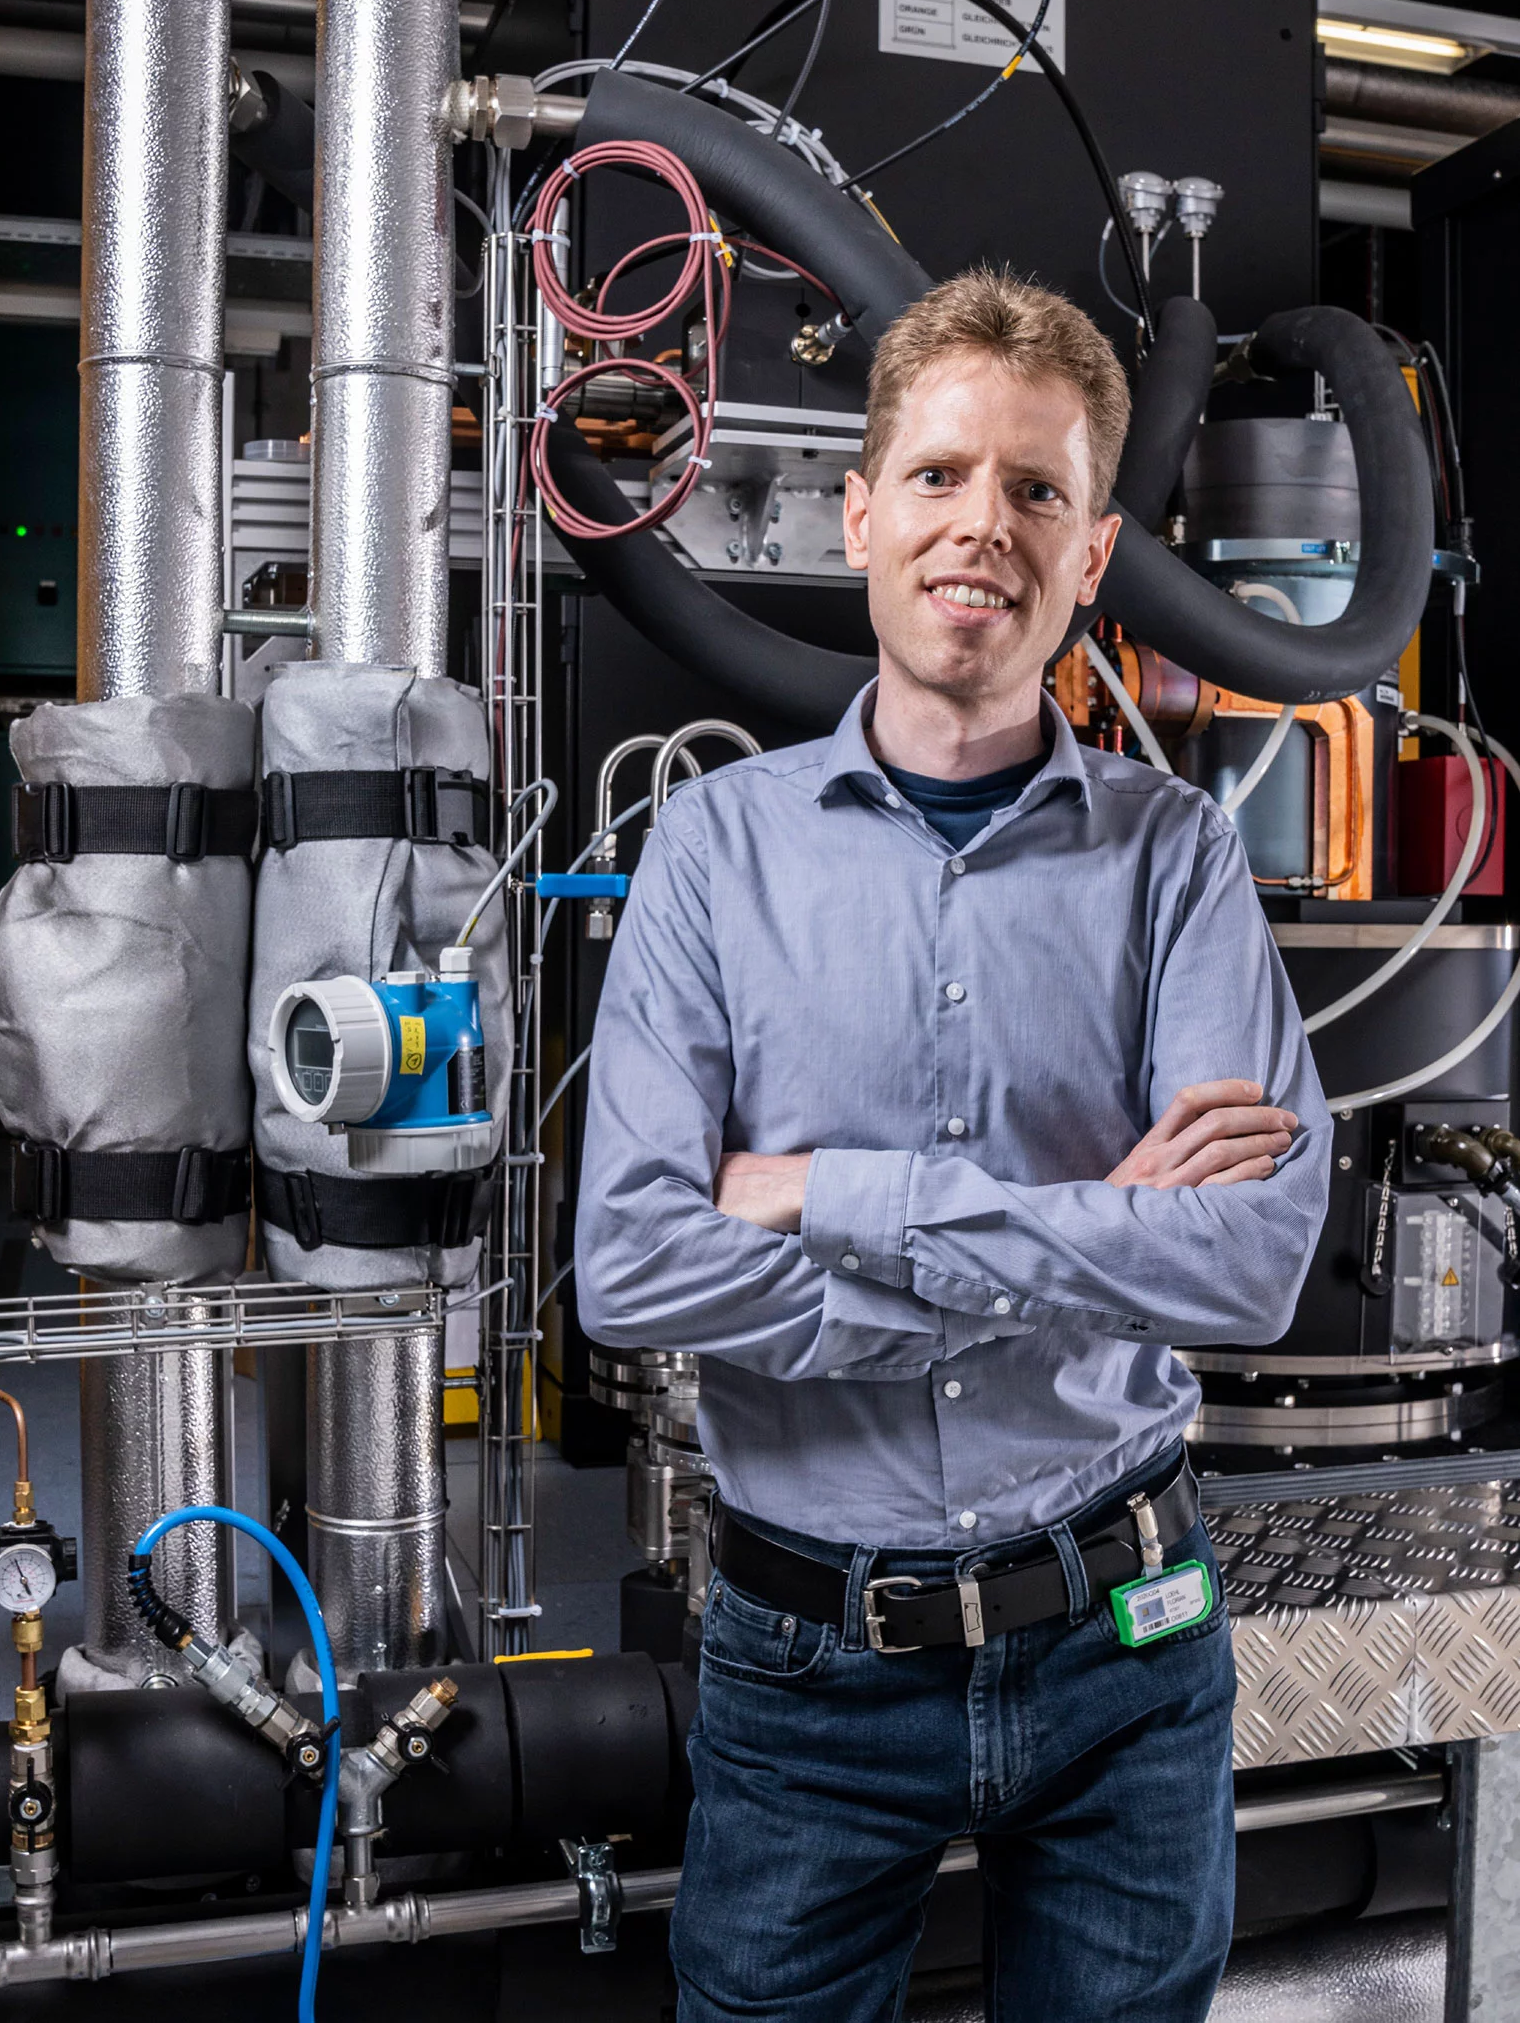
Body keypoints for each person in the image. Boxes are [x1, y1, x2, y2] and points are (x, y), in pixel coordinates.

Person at [575, 265, 1330, 2023]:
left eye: (1035, 490)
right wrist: (1082, 1238)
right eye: (935, 475)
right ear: (857, 513)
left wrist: (840, 1198)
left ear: (1090, 552)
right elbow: (629, 1266)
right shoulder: (710, 856)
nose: (978, 525)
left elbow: (1246, 1259)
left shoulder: (1177, 862)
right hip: (804, 1665)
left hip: (1123, 1642)